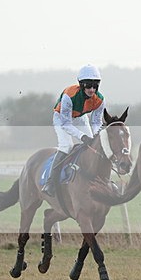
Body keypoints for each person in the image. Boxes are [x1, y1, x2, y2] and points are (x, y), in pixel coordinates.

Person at [42, 64, 106, 195]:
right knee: (67, 146)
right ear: (81, 85)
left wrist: (94, 136)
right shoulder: (69, 95)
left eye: (95, 86)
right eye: (88, 85)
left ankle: (100, 179)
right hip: (61, 119)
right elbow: (66, 124)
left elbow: (96, 121)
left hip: (80, 118)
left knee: (93, 145)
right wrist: (82, 136)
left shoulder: (100, 99)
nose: (92, 89)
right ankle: (50, 182)